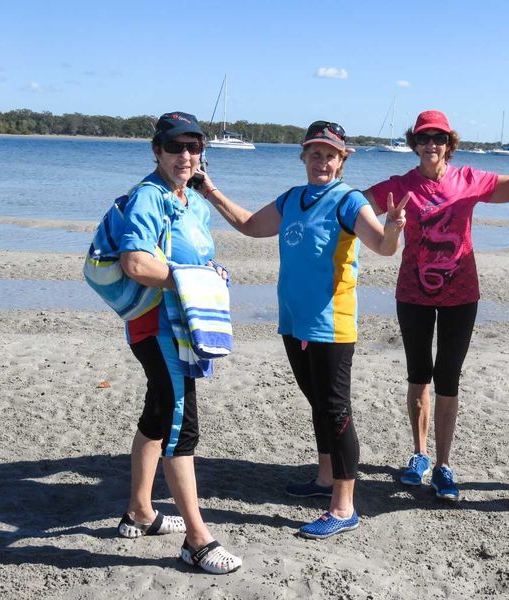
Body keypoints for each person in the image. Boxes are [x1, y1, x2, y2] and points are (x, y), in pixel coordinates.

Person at [200, 120, 408, 538]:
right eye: (315, 153)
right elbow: (247, 224)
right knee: (317, 404)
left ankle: (344, 507)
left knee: (335, 410)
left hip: (331, 323)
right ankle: (324, 480)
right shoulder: (293, 198)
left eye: (331, 155)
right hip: (293, 320)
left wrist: (395, 229)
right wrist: (209, 190)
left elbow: (382, 248)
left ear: (342, 159)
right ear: (303, 157)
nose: (322, 161)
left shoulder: (348, 201)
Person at [362, 110, 509, 500]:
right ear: (413, 143)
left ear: (449, 143)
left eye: (438, 138)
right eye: (423, 138)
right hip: (413, 293)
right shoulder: (400, 186)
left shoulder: (469, 180)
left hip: (461, 294)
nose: (430, 144)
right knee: (418, 375)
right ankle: (419, 455)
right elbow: (353, 208)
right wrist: (386, 229)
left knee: (448, 377)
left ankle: (443, 465)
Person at [116, 111, 241, 574]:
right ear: (157, 151)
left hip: (180, 325)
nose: (185, 156)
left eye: (193, 147)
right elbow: (134, 264)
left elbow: (192, 256)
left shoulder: (190, 200)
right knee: (179, 426)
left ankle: (139, 513)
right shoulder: (150, 198)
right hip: (157, 328)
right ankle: (197, 541)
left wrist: (209, 272)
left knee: (156, 413)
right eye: (175, 147)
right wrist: (194, 280)